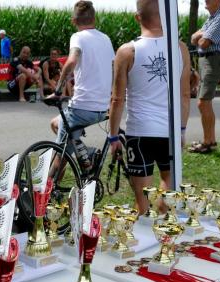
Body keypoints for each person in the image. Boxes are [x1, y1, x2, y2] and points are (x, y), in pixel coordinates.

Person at [109, 0, 190, 215]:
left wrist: (113, 136)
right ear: (164, 16)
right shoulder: (180, 48)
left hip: (139, 132)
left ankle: (145, 222)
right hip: (169, 132)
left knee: (142, 201)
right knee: (168, 190)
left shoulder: (127, 51)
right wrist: (182, 130)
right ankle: (163, 224)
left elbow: (117, 99)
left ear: (138, 17)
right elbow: (184, 95)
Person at [50, 1, 114, 145]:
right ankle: (84, 154)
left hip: (82, 109)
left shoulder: (77, 37)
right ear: (94, 19)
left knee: (59, 152)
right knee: (55, 123)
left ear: (74, 21)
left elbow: (71, 61)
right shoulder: (106, 38)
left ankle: (66, 156)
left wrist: (58, 92)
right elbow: (113, 68)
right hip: (102, 109)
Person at [188, 0, 220, 154]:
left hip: (213, 60)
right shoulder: (212, 19)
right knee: (205, 103)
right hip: (207, 60)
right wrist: (201, 34)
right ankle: (210, 140)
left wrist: (201, 34)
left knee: (203, 102)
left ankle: (207, 142)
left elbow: (203, 43)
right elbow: (193, 39)